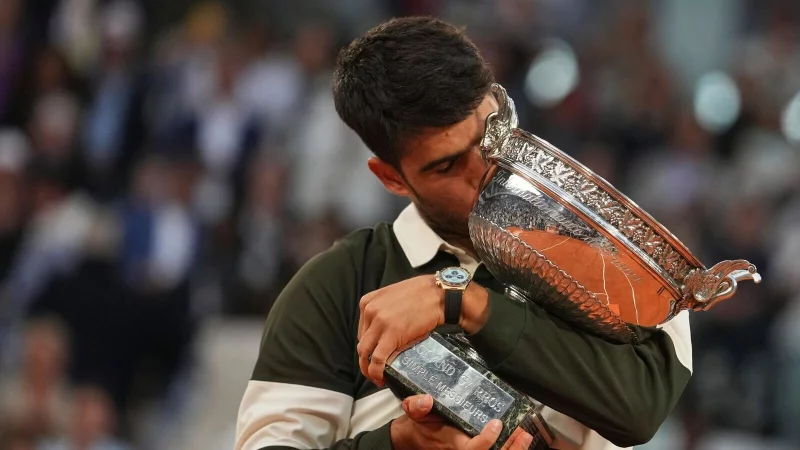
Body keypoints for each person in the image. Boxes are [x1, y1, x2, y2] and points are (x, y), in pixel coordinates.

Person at [235, 16, 693, 450]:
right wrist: (396, 443)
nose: (485, 171)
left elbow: (640, 407)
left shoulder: (622, 247)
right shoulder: (337, 284)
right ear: (390, 178)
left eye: (491, 134)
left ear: (502, 101)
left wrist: (459, 301)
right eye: (447, 166)